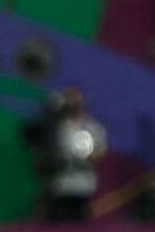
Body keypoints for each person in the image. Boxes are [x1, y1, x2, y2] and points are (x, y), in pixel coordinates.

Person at [29, 88, 107, 219]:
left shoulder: (92, 128)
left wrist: (84, 156)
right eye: (68, 101)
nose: (71, 104)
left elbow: (100, 154)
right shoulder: (56, 127)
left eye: (75, 101)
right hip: (58, 184)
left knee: (76, 226)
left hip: (82, 185)